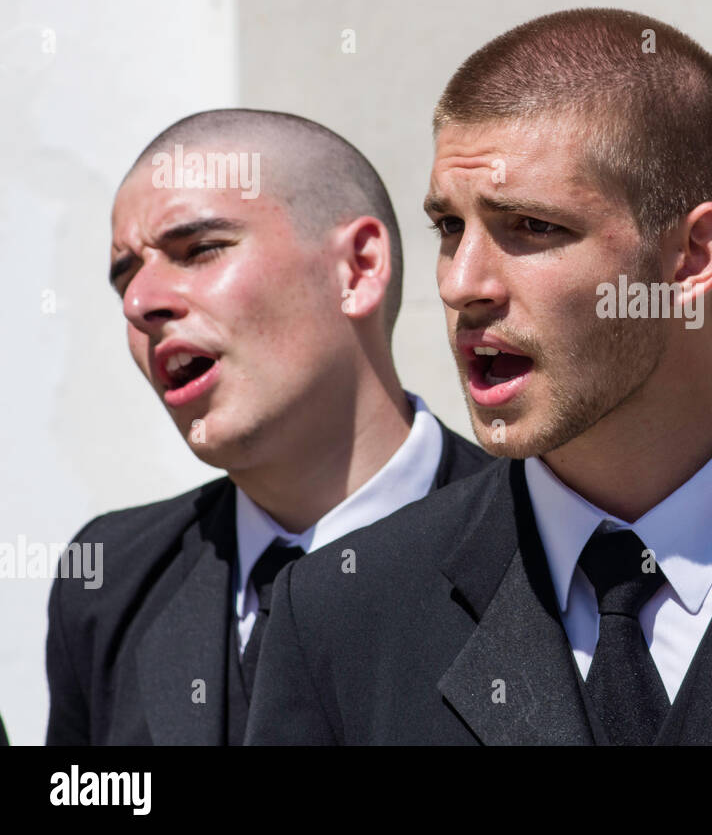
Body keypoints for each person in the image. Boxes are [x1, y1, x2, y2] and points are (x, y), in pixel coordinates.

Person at [245, 8, 712, 746]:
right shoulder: (344, 612)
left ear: (692, 257)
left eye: (532, 227)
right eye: (449, 227)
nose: (461, 282)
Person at [45, 109, 490, 745]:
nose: (140, 303)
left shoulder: (544, 558)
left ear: (358, 267)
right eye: (126, 277)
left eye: (199, 249)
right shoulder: (110, 579)